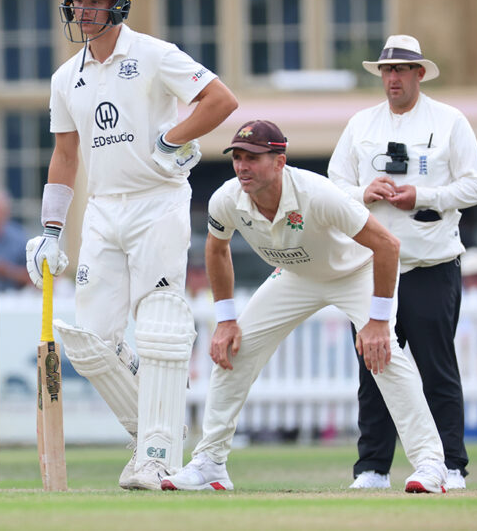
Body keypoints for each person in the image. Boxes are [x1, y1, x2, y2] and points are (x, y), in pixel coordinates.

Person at [25, 0, 238, 490]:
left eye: (94, 2)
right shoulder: (65, 78)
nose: (84, 11)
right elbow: (65, 156)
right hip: (102, 209)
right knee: (89, 341)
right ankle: (153, 430)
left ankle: (157, 458)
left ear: (117, 6)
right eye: (78, 1)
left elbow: (220, 100)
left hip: (157, 201)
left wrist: (173, 137)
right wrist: (51, 229)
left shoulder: (153, 54)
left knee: (159, 326)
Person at [161, 120, 448, 494]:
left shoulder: (318, 194)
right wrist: (226, 320)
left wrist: (378, 321)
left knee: (384, 355)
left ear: (279, 162)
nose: (242, 166)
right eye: (238, 157)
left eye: (253, 158)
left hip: (354, 272)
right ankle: (210, 463)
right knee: (234, 350)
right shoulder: (227, 199)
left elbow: (387, 245)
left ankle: (430, 464)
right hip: (296, 274)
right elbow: (216, 249)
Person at [328, 34, 477, 491]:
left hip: (431, 262)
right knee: (373, 368)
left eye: (400, 69)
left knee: (437, 368)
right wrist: (364, 192)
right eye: (386, 70)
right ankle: (373, 468)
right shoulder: (360, 123)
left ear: (420, 73)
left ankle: (451, 466)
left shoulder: (450, 121)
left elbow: (476, 186)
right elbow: (333, 184)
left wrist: (424, 195)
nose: (392, 78)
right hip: (371, 268)